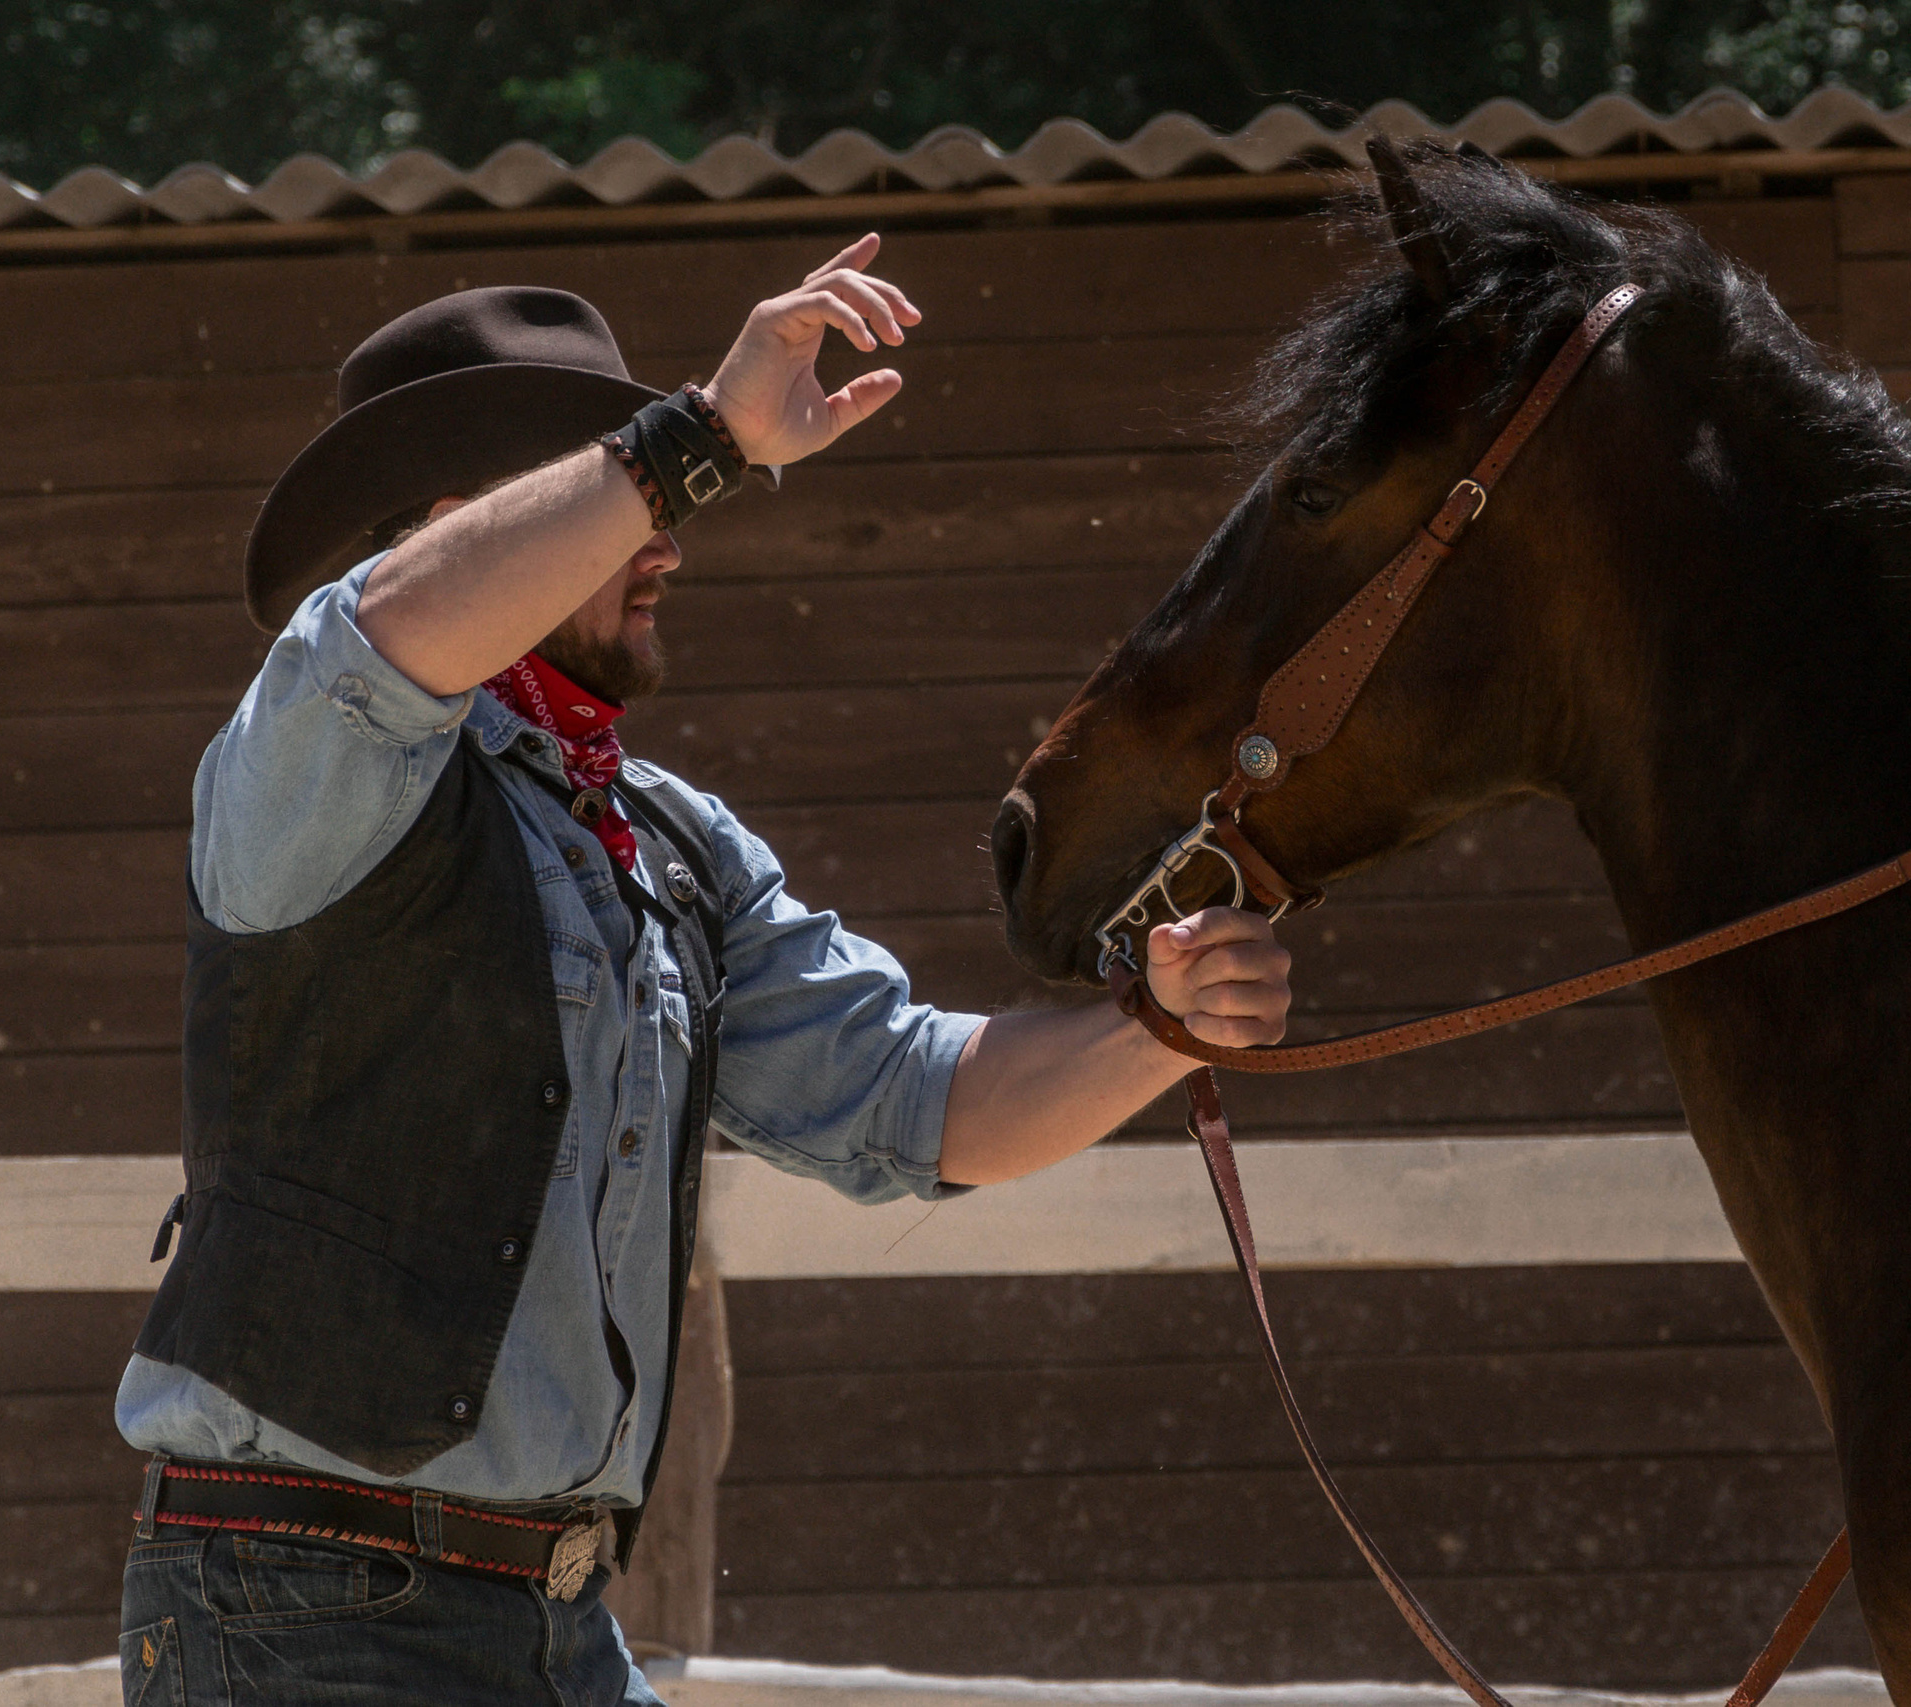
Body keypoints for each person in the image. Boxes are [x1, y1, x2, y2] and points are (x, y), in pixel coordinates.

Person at [113, 234, 1293, 1705]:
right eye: (616, 496)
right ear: (458, 526)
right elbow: (395, 634)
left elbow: (924, 1101)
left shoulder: (670, 842)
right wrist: (699, 437)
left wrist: (1164, 1026)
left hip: (548, 1618)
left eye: (652, 490)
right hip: (306, 1606)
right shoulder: (320, 734)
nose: (665, 532)